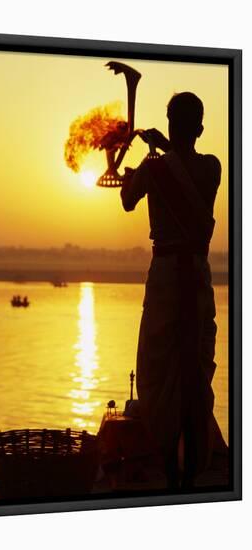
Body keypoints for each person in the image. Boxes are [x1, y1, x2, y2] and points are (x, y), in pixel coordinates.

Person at [120, 92, 222, 489]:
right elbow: (183, 169)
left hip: (165, 280)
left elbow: (128, 200)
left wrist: (138, 171)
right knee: (194, 370)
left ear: (170, 124)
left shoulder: (154, 168)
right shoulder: (211, 167)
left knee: (157, 372)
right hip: (197, 278)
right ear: (199, 128)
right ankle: (194, 465)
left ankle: (165, 462)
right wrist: (162, 150)